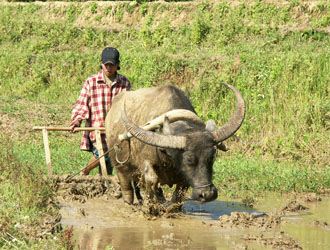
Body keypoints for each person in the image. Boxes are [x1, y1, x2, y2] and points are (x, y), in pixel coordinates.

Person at [70, 47, 131, 175]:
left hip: (116, 130)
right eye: (106, 65)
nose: (108, 68)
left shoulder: (124, 83)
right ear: (101, 63)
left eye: (112, 65)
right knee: (103, 154)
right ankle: (84, 171)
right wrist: (76, 121)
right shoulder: (92, 82)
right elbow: (81, 104)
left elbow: (129, 106)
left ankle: (102, 185)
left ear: (118, 65)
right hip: (98, 129)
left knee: (109, 160)